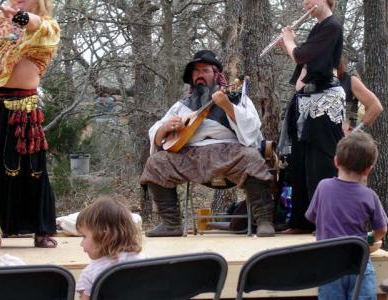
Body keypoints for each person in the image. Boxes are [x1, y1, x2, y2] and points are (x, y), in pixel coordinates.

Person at [140, 50, 275, 237]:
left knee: (252, 158)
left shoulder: (236, 97)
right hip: (191, 156)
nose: (199, 75)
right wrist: (164, 129)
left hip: (230, 152)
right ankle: (171, 224)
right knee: (156, 163)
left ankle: (264, 221)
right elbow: (156, 132)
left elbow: (252, 130)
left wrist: (227, 105)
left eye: (205, 70)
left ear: (217, 75)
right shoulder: (182, 105)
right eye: (196, 72)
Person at [278, 0, 345, 234]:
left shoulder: (332, 26)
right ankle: (301, 221)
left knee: (322, 161)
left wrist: (289, 41)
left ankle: (326, 221)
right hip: (307, 100)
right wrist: (290, 47)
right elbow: (306, 62)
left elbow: (302, 56)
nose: (306, 3)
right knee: (300, 160)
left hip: (325, 101)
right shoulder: (319, 28)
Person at [0, 0, 60, 248]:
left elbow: (35, 25)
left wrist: (18, 15)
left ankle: (41, 229)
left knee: (30, 169)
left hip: (21, 109)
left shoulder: (48, 26)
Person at [305, 131, 388, 299]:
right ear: (368, 170)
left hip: (329, 267)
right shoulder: (369, 195)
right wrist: (369, 238)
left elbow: (313, 217)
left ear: (336, 161)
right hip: (358, 263)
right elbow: (382, 230)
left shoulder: (323, 187)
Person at [76, 197, 146, 300]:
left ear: (104, 236)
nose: (81, 244)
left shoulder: (91, 273)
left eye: (84, 236)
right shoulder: (145, 262)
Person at [337, 57, 383, 135]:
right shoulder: (312, 78)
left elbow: (376, 106)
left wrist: (355, 131)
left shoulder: (349, 79)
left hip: (341, 137)